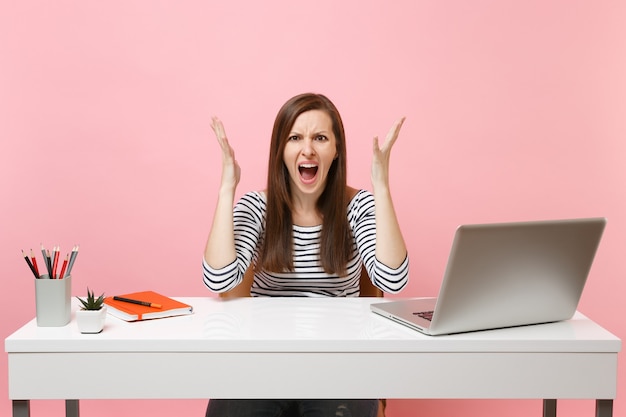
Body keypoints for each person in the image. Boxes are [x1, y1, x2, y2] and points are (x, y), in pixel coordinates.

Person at [202, 93, 409, 417]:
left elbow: (392, 279)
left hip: (338, 366)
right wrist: (227, 187)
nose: (308, 148)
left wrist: (381, 186)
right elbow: (219, 278)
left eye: (321, 138)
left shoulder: (358, 207)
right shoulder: (258, 208)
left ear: (337, 150)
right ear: (281, 151)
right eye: (295, 137)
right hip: (262, 365)